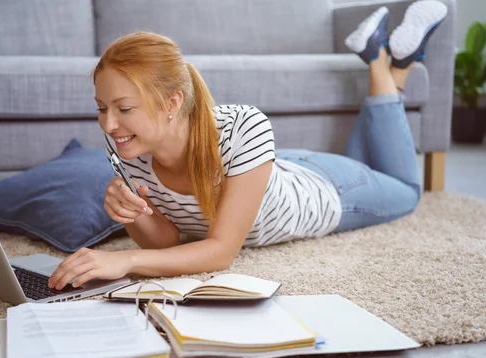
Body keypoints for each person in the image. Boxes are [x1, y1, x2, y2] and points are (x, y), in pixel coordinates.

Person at [48, 0, 448, 290]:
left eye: (124, 108)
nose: (109, 124)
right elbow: (168, 241)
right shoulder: (126, 145)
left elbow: (220, 252)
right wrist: (131, 215)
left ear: (171, 103)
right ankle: (392, 64)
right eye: (101, 108)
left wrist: (125, 260)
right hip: (265, 173)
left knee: (406, 190)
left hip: (326, 189)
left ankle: (382, 63)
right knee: (370, 165)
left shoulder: (243, 126)